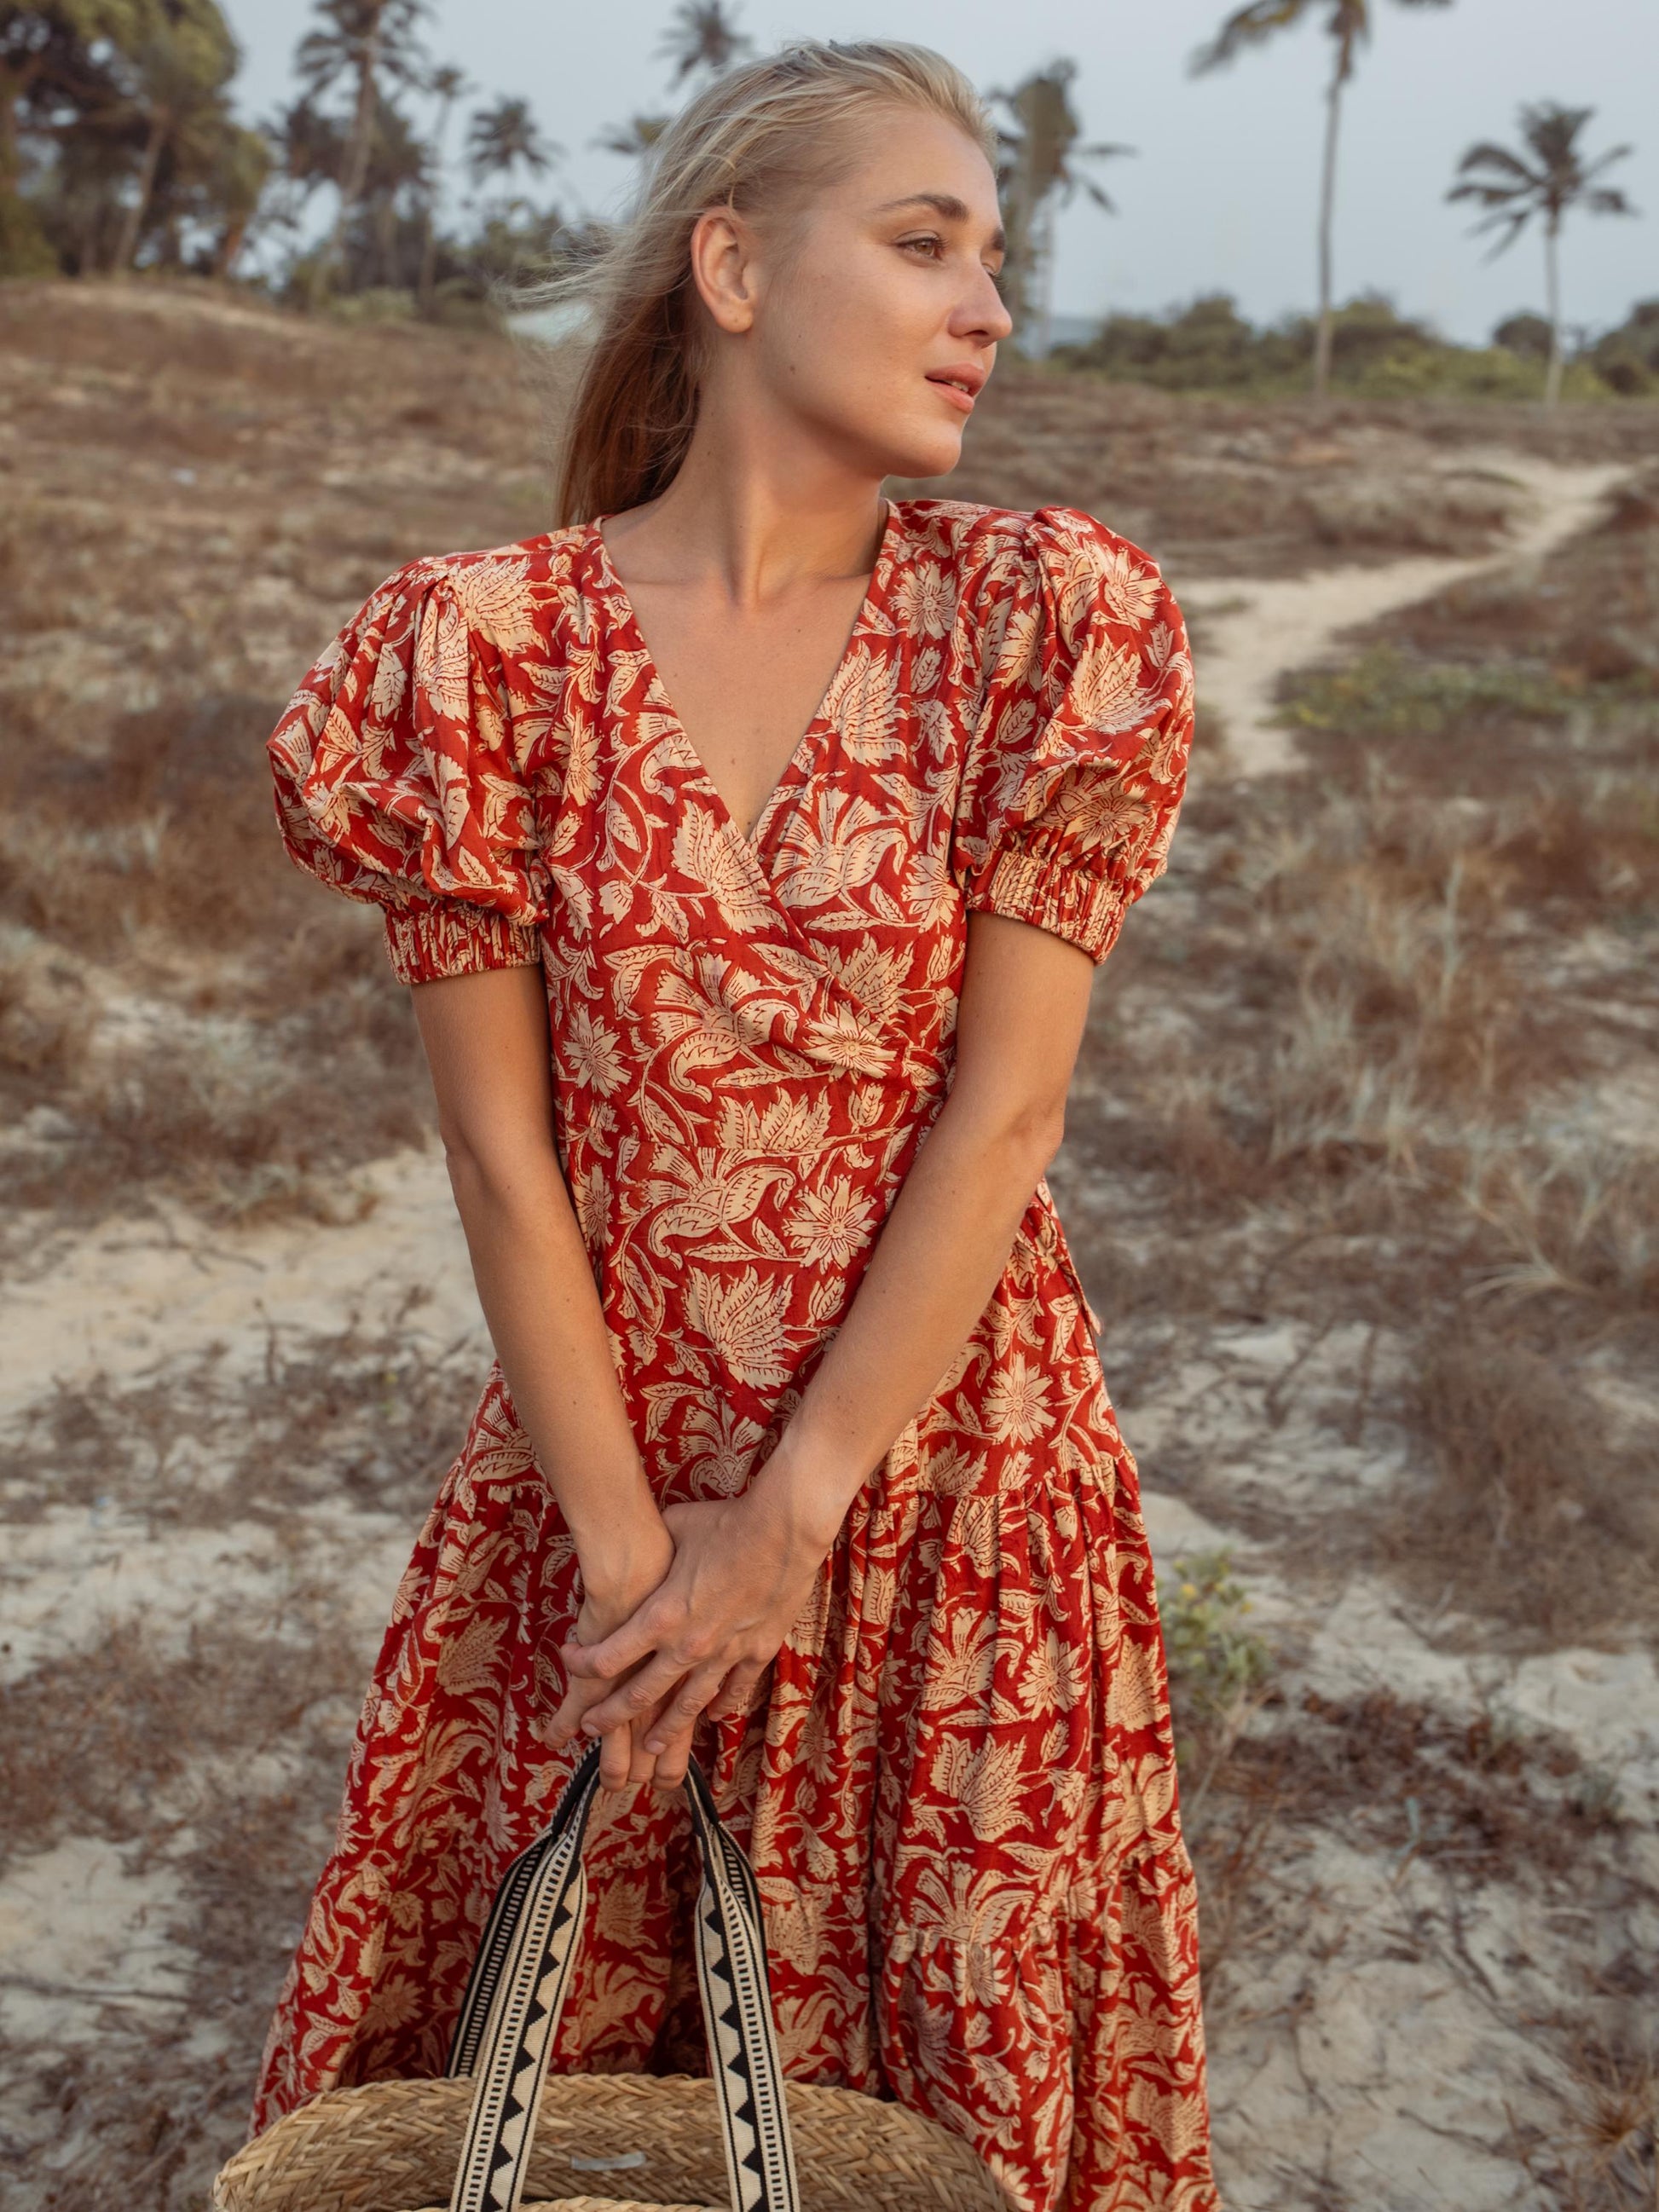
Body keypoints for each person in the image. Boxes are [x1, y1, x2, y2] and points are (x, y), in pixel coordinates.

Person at [251, 37, 1215, 2212]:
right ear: (733, 267)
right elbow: (501, 1159)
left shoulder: (1042, 623)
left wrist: (785, 1517)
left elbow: (1007, 1117)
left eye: (993, 257)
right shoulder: (481, 651)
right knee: (569, 2114)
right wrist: (629, 1564)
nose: (987, 308)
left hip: (953, 1495)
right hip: (593, 1489)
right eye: (924, 243)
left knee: (931, 2110)